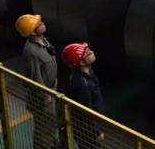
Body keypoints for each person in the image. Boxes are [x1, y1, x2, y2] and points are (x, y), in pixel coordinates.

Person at [16, 14, 58, 149]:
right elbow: (35, 77)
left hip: (51, 90)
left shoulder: (43, 40)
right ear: (33, 32)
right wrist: (45, 95)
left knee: (50, 124)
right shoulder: (31, 51)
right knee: (44, 128)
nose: (42, 23)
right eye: (39, 24)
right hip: (43, 97)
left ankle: (51, 144)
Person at [63, 43, 105, 145]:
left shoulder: (88, 72)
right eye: (88, 53)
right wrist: (97, 132)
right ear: (81, 62)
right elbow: (86, 111)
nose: (92, 52)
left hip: (90, 125)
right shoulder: (82, 84)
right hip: (88, 132)